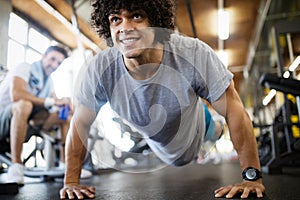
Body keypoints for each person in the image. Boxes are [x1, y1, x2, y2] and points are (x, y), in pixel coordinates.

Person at [59, 0, 265, 199]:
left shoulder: (193, 53)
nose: (125, 28)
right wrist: (71, 182)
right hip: (156, 138)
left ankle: (206, 113)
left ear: (156, 23)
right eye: (115, 19)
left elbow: (234, 109)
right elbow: (80, 123)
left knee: (217, 128)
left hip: (198, 129)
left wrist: (252, 176)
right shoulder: (100, 69)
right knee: (159, 132)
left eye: (136, 16)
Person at [0, 45, 87, 185]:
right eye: (52, 59)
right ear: (43, 56)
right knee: (24, 104)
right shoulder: (25, 68)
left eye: (58, 63)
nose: (54, 65)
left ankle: (66, 165)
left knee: (65, 117)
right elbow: (16, 95)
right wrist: (53, 101)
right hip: (3, 123)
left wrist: (65, 105)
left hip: (24, 125)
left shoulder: (49, 82)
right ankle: (16, 166)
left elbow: (54, 103)